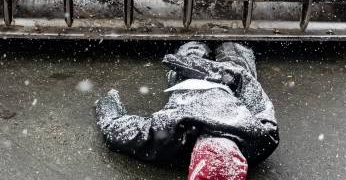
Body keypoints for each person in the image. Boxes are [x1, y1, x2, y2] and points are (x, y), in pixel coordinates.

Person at [95, 42, 279, 179]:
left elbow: (114, 128)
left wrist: (106, 99)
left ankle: (196, 47)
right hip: (228, 84)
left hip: (188, 82)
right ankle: (230, 46)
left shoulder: (168, 132)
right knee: (236, 60)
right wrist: (221, 73)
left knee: (190, 54)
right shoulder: (261, 138)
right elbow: (251, 89)